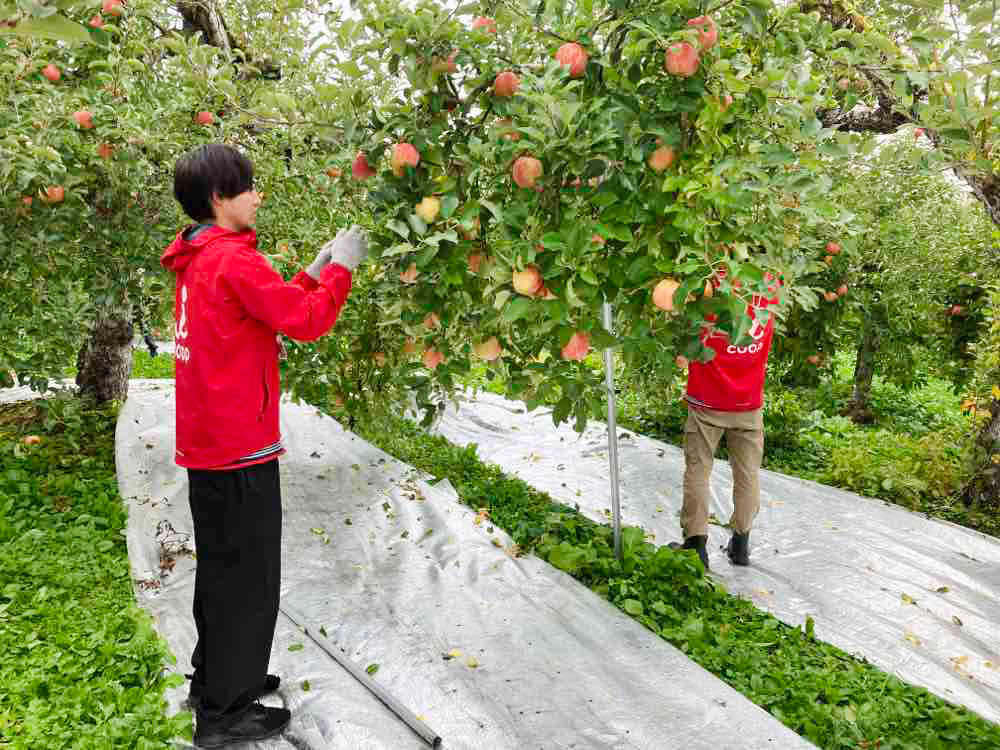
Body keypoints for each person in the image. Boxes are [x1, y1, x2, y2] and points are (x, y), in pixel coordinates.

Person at [161, 143, 368, 748]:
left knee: (222, 573)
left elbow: (269, 309)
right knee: (249, 579)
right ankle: (225, 713)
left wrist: (313, 269)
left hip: (207, 446)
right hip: (238, 447)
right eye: (249, 187)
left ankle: (220, 678)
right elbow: (306, 323)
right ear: (220, 199)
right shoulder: (234, 260)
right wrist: (342, 270)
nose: (258, 196)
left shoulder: (200, 258)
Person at [673, 275, 779, 570]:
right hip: (748, 404)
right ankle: (741, 544)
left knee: (698, 470)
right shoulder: (769, 288)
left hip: (707, 402)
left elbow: (683, 332)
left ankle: (696, 545)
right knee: (748, 475)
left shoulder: (708, 288)